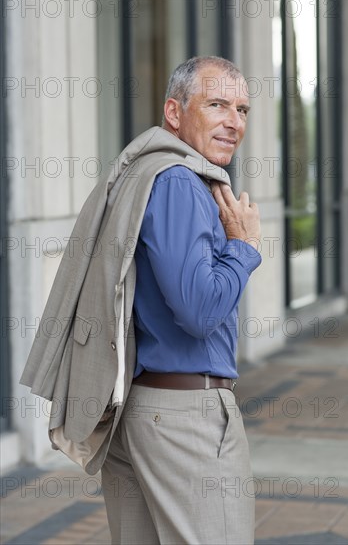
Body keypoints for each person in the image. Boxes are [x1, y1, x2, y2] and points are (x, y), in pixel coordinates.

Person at [100, 56, 262, 545]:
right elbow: (198, 311)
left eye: (242, 109)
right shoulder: (178, 183)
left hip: (149, 410)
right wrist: (244, 249)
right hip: (185, 419)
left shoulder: (153, 173)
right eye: (216, 105)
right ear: (175, 112)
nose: (234, 122)